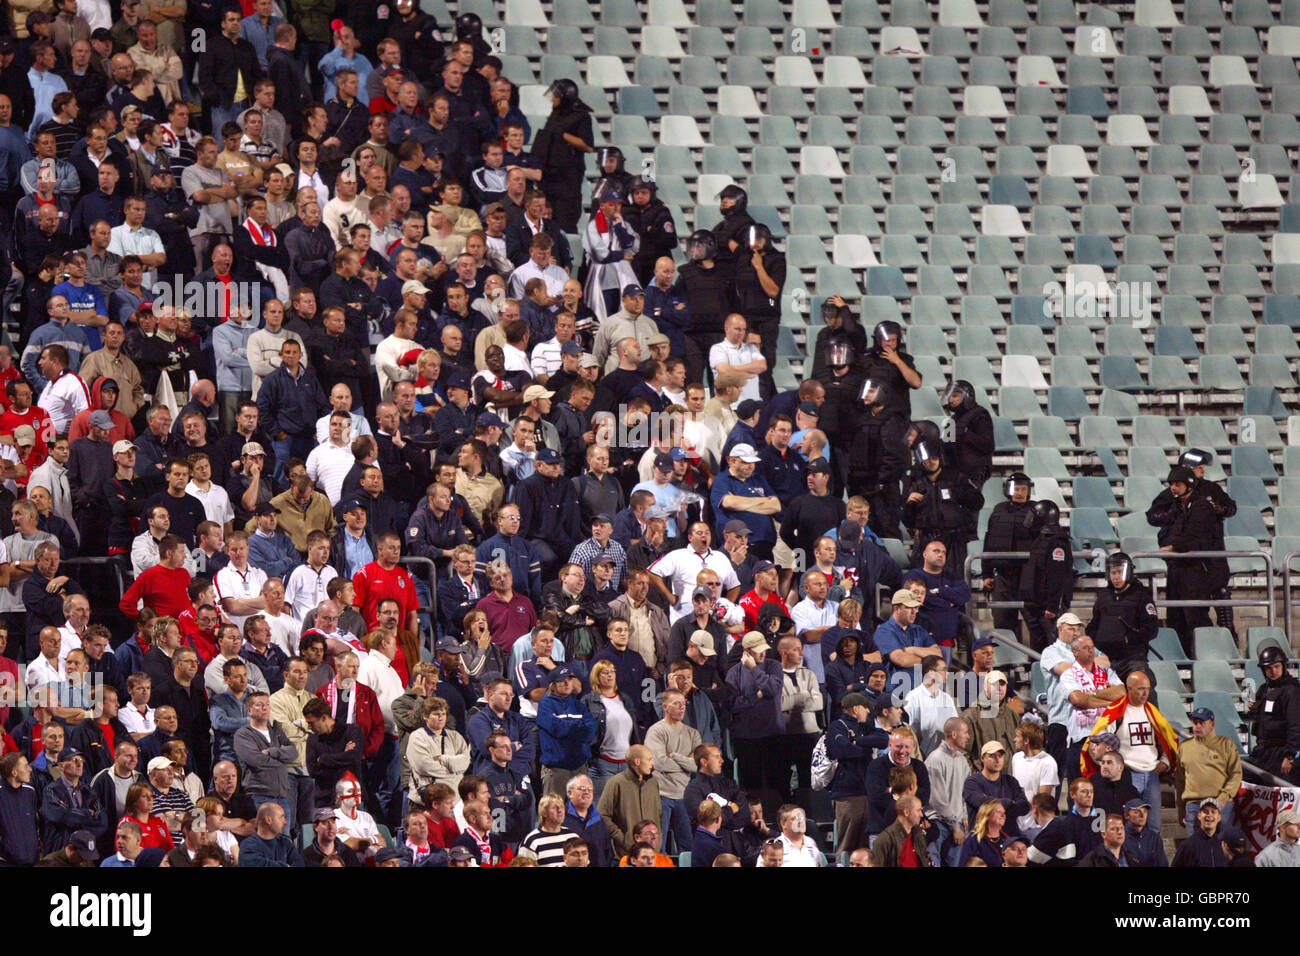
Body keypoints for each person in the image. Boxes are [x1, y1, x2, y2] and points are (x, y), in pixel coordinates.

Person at [1081, 670, 1179, 813]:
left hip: (1153, 775)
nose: (1145, 693)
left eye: (1147, 689)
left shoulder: (1153, 712)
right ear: (1129, 688)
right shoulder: (1115, 711)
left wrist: (1165, 762)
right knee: (1127, 820)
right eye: (1140, 689)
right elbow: (1096, 744)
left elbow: (1166, 739)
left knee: (1153, 826)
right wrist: (1111, 767)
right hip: (1127, 774)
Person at [1086, 552, 1158, 681]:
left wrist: (1129, 639)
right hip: (1105, 657)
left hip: (1132, 658)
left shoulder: (1141, 596)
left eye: (1120, 572)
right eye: (1113, 573)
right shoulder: (1103, 596)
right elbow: (1094, 625)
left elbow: (1151, 629)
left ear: (1129, 572)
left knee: (1141, 682)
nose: (1116, 577)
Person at [1175, 706, 1242, 835]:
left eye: (1202, 723)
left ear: (1212, 724)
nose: (1197, 726)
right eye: (1195, 723)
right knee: (1194, 850)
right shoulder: (1184, 747)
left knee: (1221, 848)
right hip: (1194, 805)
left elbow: (1236, 774)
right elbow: (1180, 781)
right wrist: (1181, 809)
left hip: (1219, 803)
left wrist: (1224, 797)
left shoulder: (1226, 744)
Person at [596, 744, 660, 861]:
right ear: (637, 761)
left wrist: (657, 840)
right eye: (649, 759)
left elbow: (659, 814)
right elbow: (602, 815)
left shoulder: (653, 783)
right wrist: (622, 838)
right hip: (625, 854)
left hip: (651, 854)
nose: (653, 763)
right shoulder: (616, 782)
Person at [1247, 643, 1300, 782]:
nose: (1273, 671)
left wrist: (1289, 756)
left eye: (1277, 667)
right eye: (1268, 668)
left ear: (1283, 666)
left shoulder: (1292, 690)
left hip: (1281, 751)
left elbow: (1295, 725)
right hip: (1263, 750)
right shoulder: (1264, 689)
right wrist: (1254, 707)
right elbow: (1260, 718)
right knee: (1244, 774)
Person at [1027, 776, 1103, 867]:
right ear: (1072, 795)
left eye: (1091, 792)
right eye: (1083, 791)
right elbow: (1032, 857)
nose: (1089, 795)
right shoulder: (1061, 825)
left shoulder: (1100, 824)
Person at [238, 801, 305, 867]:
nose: (285, 821)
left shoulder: (286, 843)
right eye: (282, 817)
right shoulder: (248, 845)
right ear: (268, 820)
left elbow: (299, 863)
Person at [1170, 800, 1229, 868]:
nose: (1209, 815)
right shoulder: (1188, 845)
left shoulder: (1223, 846)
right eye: (1205, 812)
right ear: (1199, 815)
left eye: (1213, 812)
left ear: (1219, 817)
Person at [1122, 799, 1168, 868]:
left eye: (1145, 811)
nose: (1142, 815)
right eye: (1137, 812)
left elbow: (1162, 863)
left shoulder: (1154, 837)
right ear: (1127, 815)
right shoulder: (1120, 837)